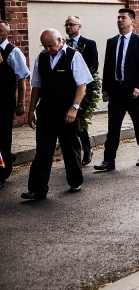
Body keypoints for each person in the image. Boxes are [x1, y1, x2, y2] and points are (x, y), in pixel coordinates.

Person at [21, 29, 93, 200]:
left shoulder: (73, 56)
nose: (48, 49)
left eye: (50, 46)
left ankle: (75, 181)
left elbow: (82, 85)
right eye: (44, 46)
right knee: (43, 150)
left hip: (67, 109)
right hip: (46, 110)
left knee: (70, 146)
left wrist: (74, 108)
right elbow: (36, 86)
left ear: (60, 40)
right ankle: (37, 188)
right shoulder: (42, 58)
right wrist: (31, 111)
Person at [95, 8, 139, 171]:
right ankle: (108, 160)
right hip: (116, 91)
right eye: (118, 18)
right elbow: (107, 67)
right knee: (113, 126)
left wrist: (138, 87)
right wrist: (105, 89)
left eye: (123, 18)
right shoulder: (112, 42)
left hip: (133, 92)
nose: (120, 20)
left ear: (132, 21)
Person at [64, 16, 99, 166]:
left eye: (71, 24)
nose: (68, 27)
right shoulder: (62, 44)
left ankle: (87, 148)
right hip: (66, 89)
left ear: (79, 26)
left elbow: (93, 66)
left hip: (83, 88)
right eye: (66, 25)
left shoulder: (89, 44)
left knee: (80, 120)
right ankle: (74, 151)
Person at [1, 20, 30, 185]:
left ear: (7, 33)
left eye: (0, 30)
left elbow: (22, 79)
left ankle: (3, 171)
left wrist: (21, 103)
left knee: (3, 137)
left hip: (5, 101)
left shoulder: (13, 52)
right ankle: (6, 158)